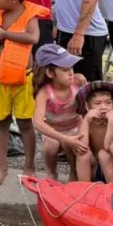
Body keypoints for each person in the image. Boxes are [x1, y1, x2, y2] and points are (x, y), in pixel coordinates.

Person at [0, 0, 47, 184]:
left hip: (23, 79)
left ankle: (29, 166)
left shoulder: (30, 14)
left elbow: (33, 38)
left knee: (26, 123)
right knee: (1, 123)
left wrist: (5, 34)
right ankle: (2, 167)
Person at [31, 44, 89, 181]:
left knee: (73, 144)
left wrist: (85, 84)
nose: (71, 73)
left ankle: (74, 172)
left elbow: (89, 104)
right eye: (65, 69)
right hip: (54, 130)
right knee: (51, 147)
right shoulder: (44, 92)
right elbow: (38, 123)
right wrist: (63, 138)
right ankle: (52, 172)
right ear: (50, 73)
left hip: (75, 126)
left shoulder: (77, 82)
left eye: (71, 68)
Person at [74, 81, 113, 182]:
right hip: (96, 170)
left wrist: (112, 123)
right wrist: (86, 121)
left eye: (108, 102)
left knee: (104, 154)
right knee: (84, 154)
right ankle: (85, 188)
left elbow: (108, 147)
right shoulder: (87, 123)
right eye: (97, 103)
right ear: (87, 106)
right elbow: (82, 147)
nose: (103, 107)